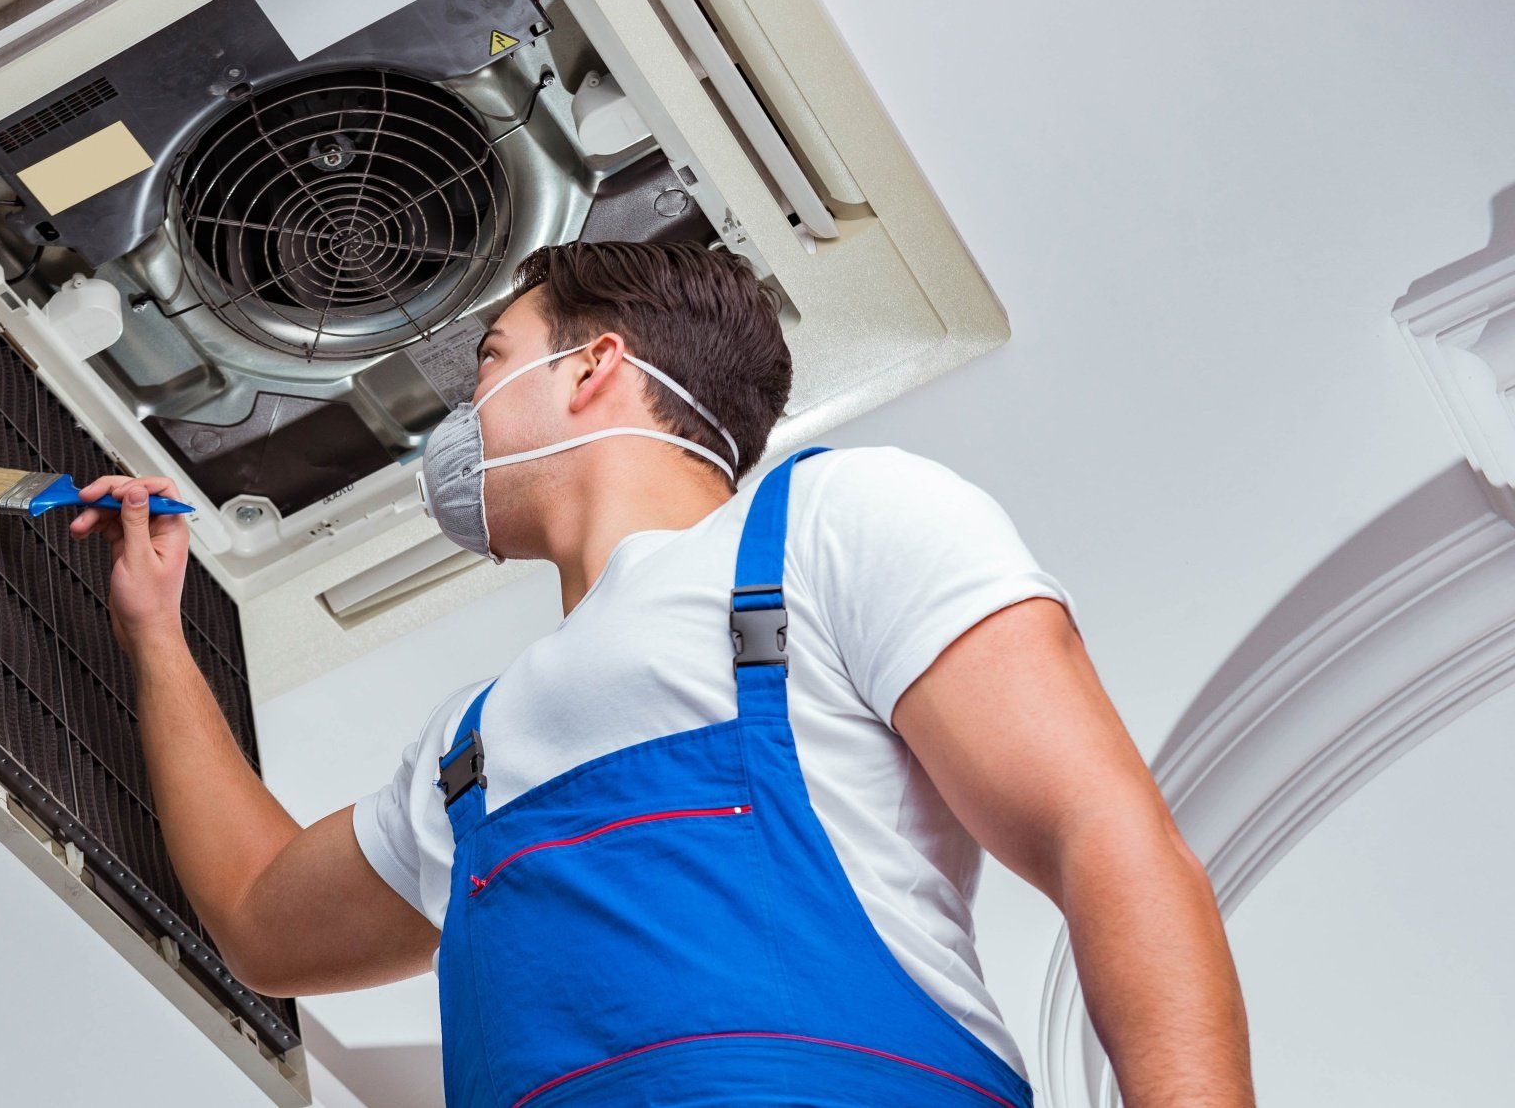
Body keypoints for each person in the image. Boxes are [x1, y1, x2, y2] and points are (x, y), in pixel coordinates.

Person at [70, 241, 1254, 1107]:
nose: (461, 416)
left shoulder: (830, 523)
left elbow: (1103, 836)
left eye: (492, 359)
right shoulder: (464, 752)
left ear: (595, 368)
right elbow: (260, 916)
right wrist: (158, 634)